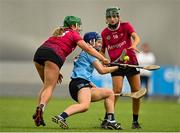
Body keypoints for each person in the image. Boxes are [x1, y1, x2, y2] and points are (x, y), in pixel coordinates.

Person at [32, 16, 110, 127]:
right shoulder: (73, 34)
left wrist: (55, 70)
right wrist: (102, 58)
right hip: (54, 56)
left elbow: (50, 48)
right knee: (50, 87)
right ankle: (41, 107)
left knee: (46, 86)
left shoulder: (58, 33)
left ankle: (39, 112)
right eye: (79, 26)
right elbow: (88, 48)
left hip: (39, 53)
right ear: (73, 26)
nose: (79, 29)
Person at [52, 32, 122, 130]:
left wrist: (93, 86)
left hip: (80, 84)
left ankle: (110, 121)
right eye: (98, 42)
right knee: (84, 106)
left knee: (109, 93)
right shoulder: (90, 52)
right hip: (80, 83)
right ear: (91, 42)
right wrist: (117, 68)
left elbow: (85, 75)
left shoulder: (85, 53)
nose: (100, 44)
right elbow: (102, 70)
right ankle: (61, 117)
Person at [100, 7, 142, 129]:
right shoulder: (104, 33)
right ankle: (107, 118)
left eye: (114, 16)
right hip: (116, 65)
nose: (112, 19)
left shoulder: (126, 26)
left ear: (118, 17)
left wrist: (134, 45)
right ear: (106, 19)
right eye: (109, 17)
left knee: (136, 93)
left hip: (131, 62)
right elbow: (102, 50)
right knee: (116, 92)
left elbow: (136, 37)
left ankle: (135, 121)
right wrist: (104, 59)